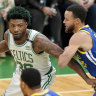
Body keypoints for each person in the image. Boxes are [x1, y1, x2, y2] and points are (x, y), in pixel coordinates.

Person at [1, 6, 63, 96]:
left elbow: (62, 54)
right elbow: (4, 45)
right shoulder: (9, 36)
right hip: (21, 75)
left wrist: (86, 78)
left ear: (26, 24)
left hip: (42, 77)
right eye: (12, 25)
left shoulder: (38, 40)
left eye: (19, 25)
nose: (15, 29)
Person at [58, 4, 96, 96]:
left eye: (67, 19)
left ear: (77, 21)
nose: (64, 22)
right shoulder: (88, 31)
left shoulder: (78, 37)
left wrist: (66, 50)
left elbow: (61, 63)